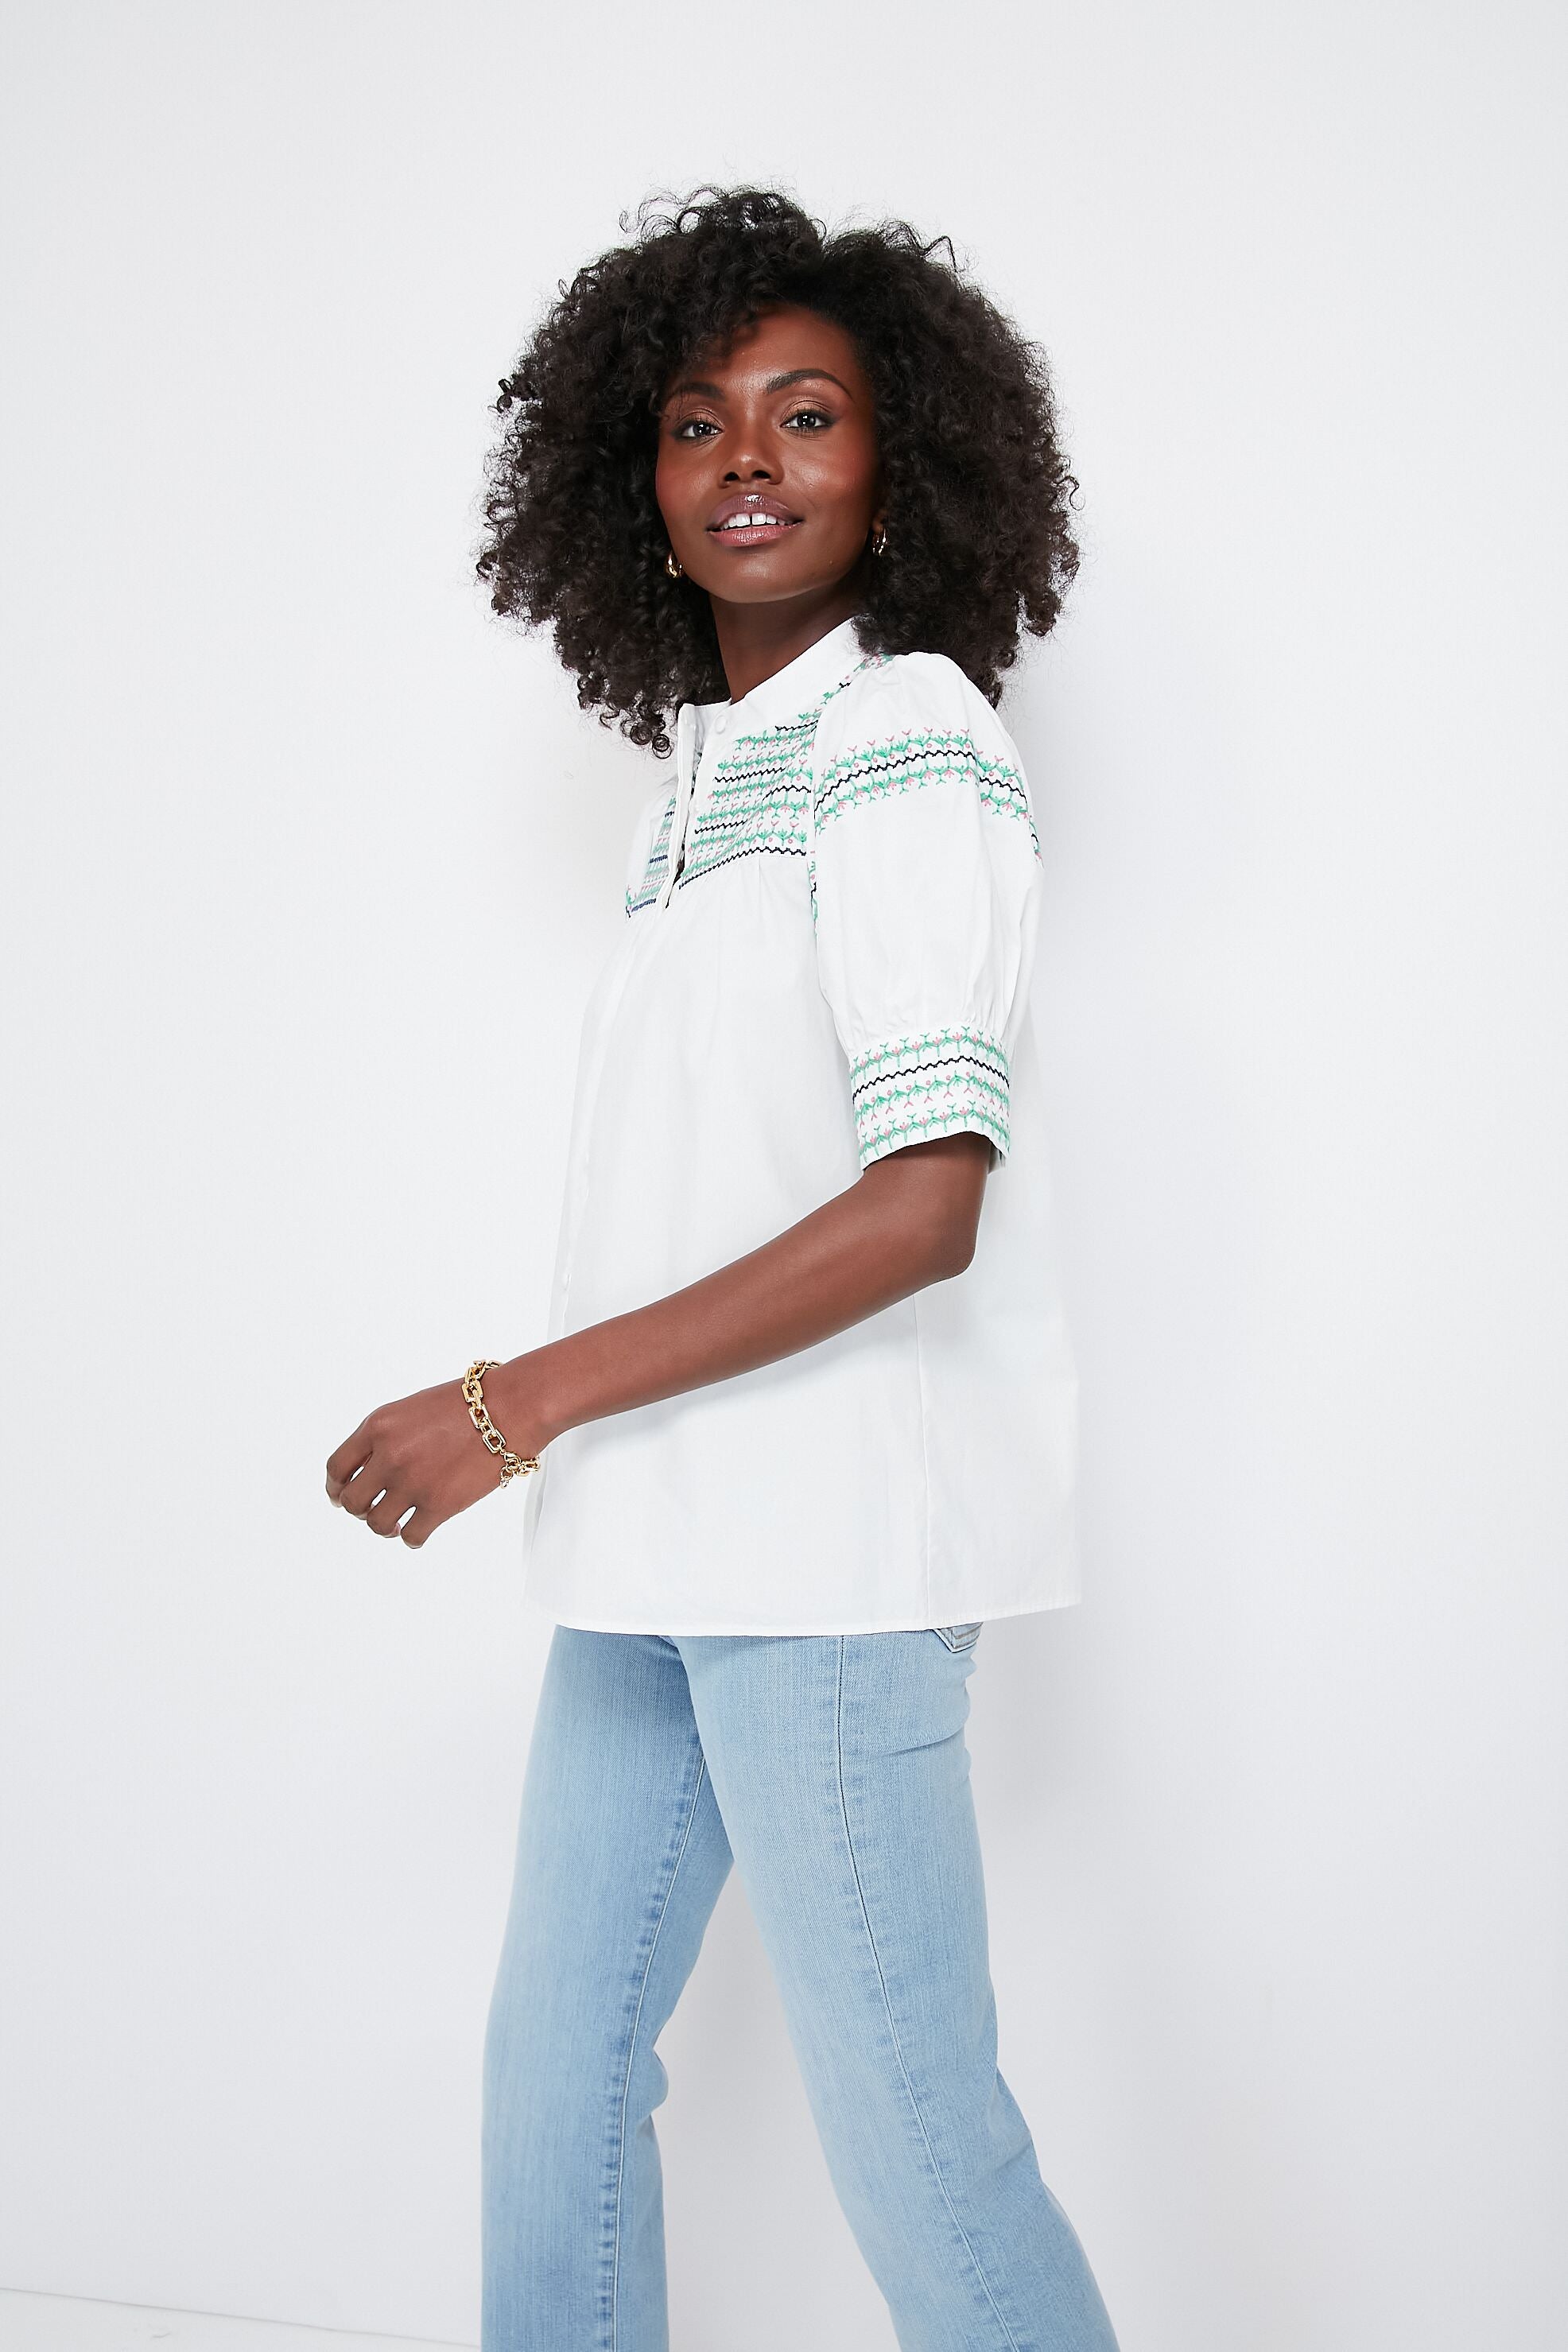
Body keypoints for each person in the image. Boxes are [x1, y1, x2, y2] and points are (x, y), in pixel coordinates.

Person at [324, 185, 1120, 2352]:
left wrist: (509, 1404)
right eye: (697, 420)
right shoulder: (701, 786)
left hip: (831, 1557)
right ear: (637, 485)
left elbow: (923, 1200)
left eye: (808, 413)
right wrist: (562, 1436)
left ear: (904, 467)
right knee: (554, 2084)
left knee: (917, 2141)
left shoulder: (907, 734)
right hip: (651, 1542)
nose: (747, 458)